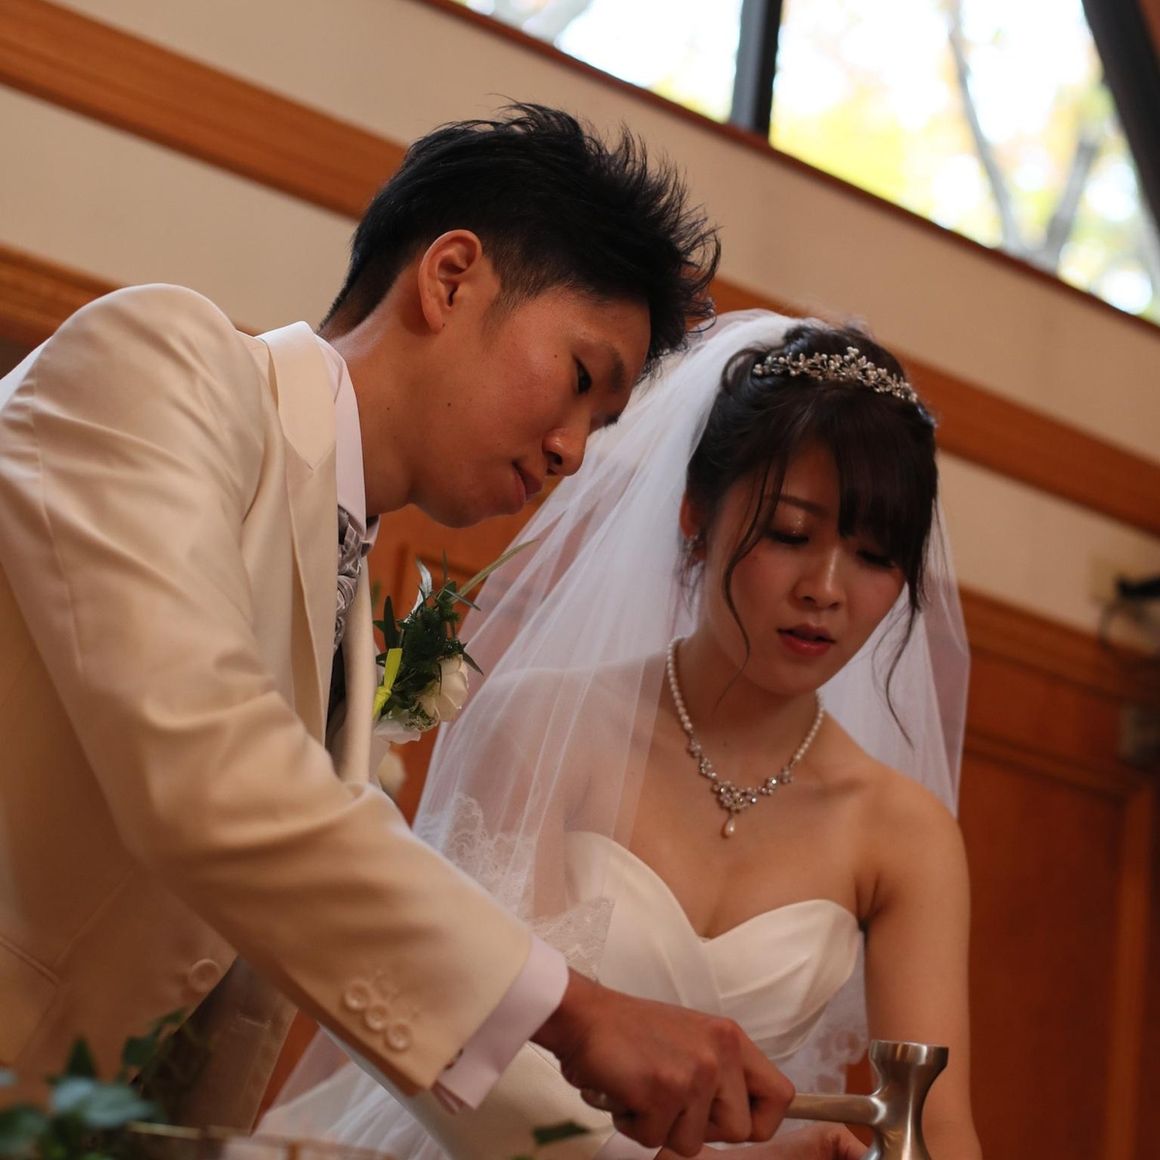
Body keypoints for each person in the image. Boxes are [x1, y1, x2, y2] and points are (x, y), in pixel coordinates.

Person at [0, 106, 801, 1156]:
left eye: (599, 425)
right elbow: (203, 764)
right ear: (450, 277)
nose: (572, 451)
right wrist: (581, 1010)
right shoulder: (158, 361)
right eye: (579, 378)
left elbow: (346, 949)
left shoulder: (351, 605)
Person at [258, 310, 982, 1159]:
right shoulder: (543, 725)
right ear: (695, 514)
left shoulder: (904, 837)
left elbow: (935, 1125)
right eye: (791, 534)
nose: (826, 588)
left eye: (874, 557)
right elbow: (463, 1032)